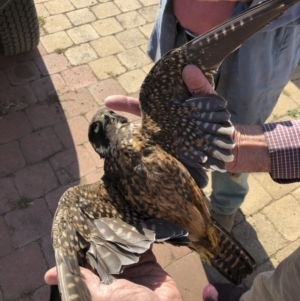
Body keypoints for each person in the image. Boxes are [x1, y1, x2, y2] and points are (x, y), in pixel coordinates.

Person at [45, 65, 300, 300]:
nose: (108, 119)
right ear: (101, 144)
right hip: (184, 228)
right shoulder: (105, 191)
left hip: (199, 216)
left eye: (109, 116)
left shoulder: (152, 131)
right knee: (69, 206)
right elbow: (70, 246)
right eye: (101, 126)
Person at [147, 0, 300, 232]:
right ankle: (182, 190)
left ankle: (224, 207)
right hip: (180, 35)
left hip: (253, 52)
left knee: (234, 138)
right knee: (172, 126)